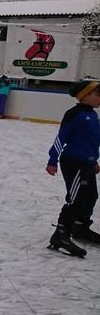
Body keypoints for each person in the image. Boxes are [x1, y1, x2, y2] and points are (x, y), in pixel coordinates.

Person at [45, 80, 100, 258]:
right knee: (76, 198)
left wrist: (93, 161)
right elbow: (61, 138)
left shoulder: (92, 115)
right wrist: (52, 160)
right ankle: (60, 235)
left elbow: (92, 141)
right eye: (97, 94)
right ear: (85, 95)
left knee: (91, 195)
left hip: (87, 163)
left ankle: (80, 227)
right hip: (74, 162)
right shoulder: (74, 114)